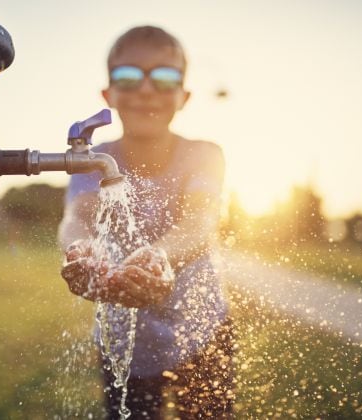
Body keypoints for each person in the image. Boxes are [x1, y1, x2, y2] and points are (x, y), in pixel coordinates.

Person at [58, 25, 234, 419]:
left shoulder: (203, 154)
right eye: (128, 76)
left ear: (184, 96)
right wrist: (82, 250)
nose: (146, 89)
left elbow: (198, 223)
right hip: (125, 340)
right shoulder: (92, 160)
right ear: (108, 94)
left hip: (203, 330)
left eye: (165, 76)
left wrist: (159, 255)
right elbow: (77, 219)